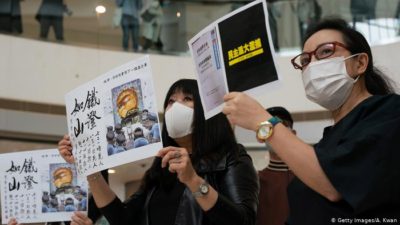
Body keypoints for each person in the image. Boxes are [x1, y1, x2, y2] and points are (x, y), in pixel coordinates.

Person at [223, 18, 400, 224]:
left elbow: (332, 185)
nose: (312, 65)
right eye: (305, 60)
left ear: (360, 63)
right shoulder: (328, 141)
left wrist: (263, 121)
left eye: (325, 51)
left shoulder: (389, 113)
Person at [58, 79, 259, 225]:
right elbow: (123, 218)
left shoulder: (231, 157)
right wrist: (89, 167)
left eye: (187, 99)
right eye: (170, 102)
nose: (175, 107)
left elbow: (243, 221)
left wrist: (193, 180)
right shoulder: (161, 167)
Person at [256, 107, 296, 225]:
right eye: (268, 129)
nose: (275, 135)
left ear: (292, 134)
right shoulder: (256, 181)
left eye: (282, 128)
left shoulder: (308, 178)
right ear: (262, 137)